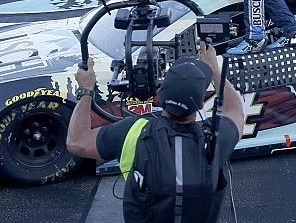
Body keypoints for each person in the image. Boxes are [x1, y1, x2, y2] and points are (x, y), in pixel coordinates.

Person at [66, 42, 244, 223]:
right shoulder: (214, 138)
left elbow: (76, 141)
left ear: (160, 92)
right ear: (200, 105)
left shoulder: (134, 130)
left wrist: (86, 90)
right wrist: (214, 67)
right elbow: (235, 110)